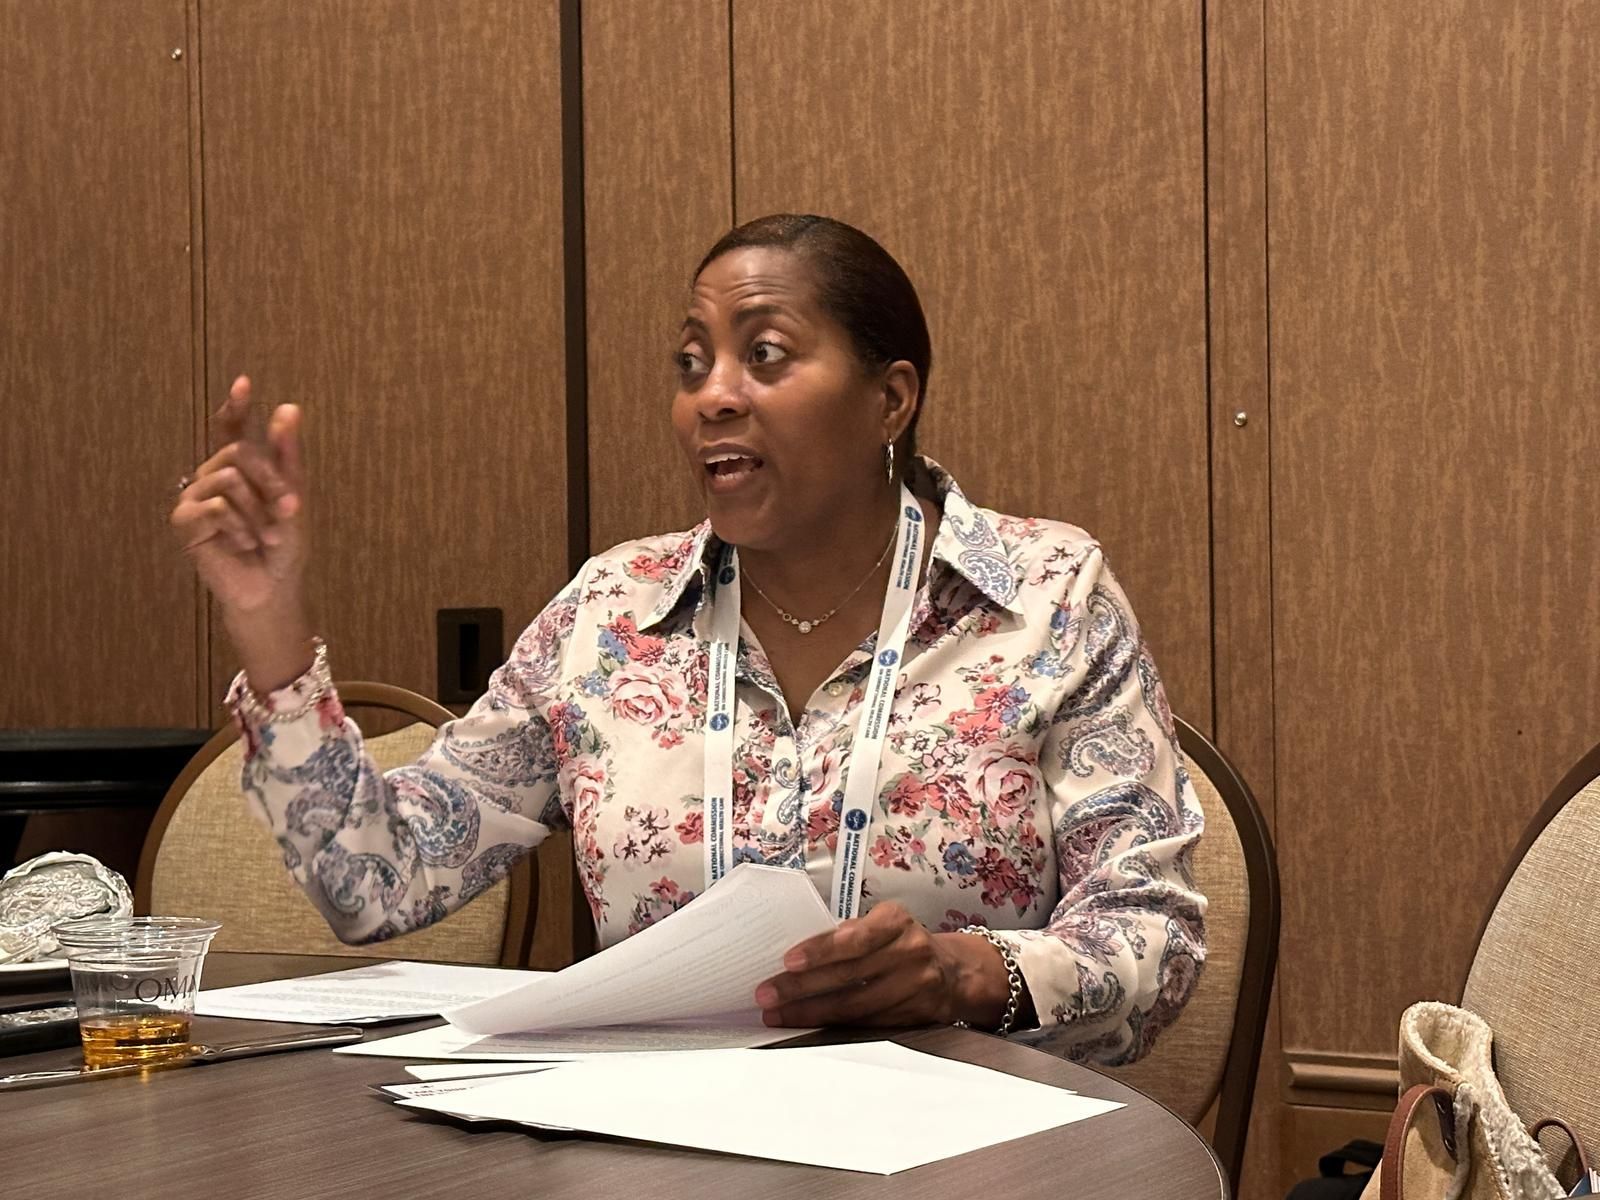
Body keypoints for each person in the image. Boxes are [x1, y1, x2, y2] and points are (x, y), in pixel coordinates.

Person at [169, 213, 1205, 1064]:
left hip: (964, 1149)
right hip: (657, 1149)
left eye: (764, 355)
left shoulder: (1046, 597)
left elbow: (1152, 939)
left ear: (889, 399)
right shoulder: (611, 614)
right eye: (691, 361)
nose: (712, 395)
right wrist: (269, 618)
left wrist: (965, 973)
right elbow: (377, 882)